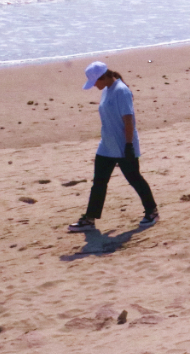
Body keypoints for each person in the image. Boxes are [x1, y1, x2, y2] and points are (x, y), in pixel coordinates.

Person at [66, 62, 157, 232]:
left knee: (135, 179)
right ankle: (89, 219)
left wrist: (129, 145)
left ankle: (152, 211)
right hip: (106, 146)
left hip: (123, 146)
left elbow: (128, 120)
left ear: (104, 77)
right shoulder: (107, 89)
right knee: (99, 182)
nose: (95, 86)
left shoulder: (121, 91)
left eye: (95, 82)